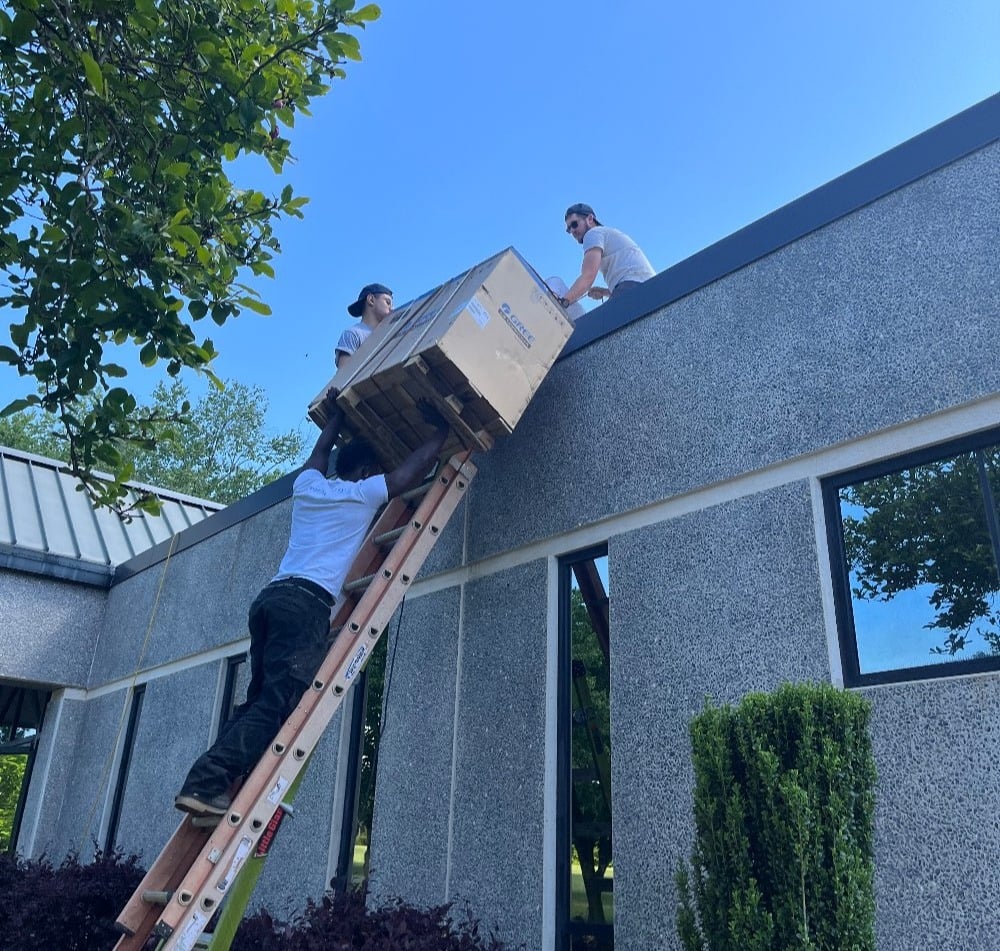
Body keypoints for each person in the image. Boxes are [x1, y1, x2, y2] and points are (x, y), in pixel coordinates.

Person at [174, 390, 448, 816]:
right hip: (304, 606)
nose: (377, 476)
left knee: (259, 699)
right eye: (373, 471)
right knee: (278, 703)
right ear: (364, 471)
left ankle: (213, 781)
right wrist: (444, 431)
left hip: (271, 599)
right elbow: (407, 476)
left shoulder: (308, 486)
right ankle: (206, 779)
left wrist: (335, 417)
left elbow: (320, 450)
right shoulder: (360, 494)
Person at [558, 203, 655, 308]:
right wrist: (605, 292)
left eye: (574, 224)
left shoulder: (593, 233)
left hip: (631, 287)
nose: (572, 231)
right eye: (569, 229)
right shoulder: (607, 234)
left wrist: (563, 302)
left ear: (590, 219)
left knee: (594, 323)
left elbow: (588, 276)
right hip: (648, 289)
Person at [335, 283, 393, 369]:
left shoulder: (390, 334)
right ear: (371, 300)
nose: (391, 308)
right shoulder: (353, 334)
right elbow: (343, 374)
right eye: (387, 302)